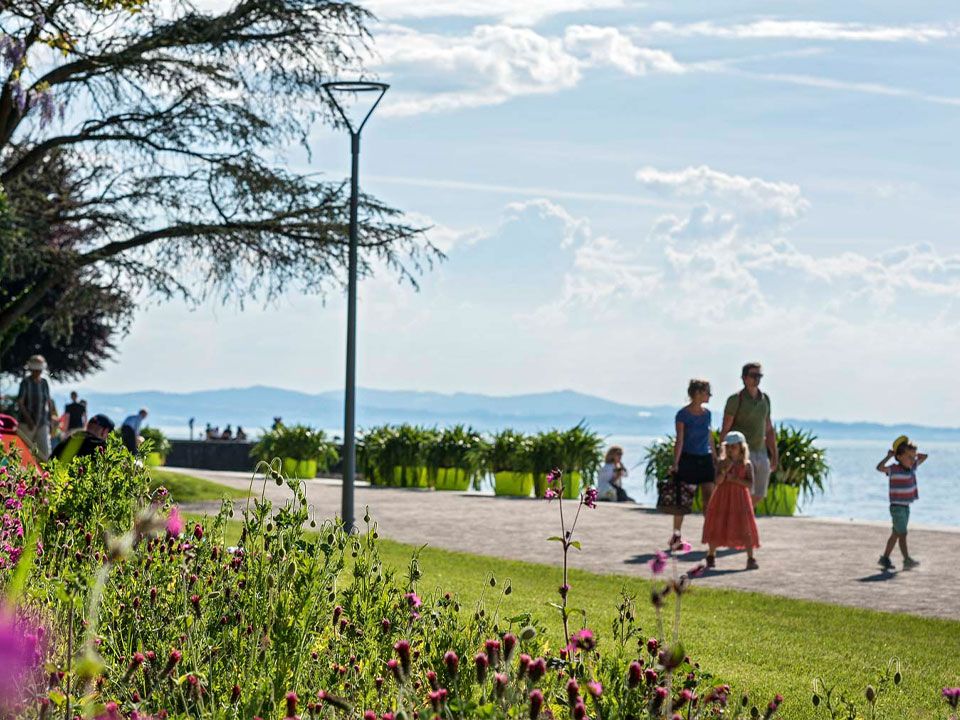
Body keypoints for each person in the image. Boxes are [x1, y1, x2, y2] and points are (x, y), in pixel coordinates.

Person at [719, 362, 778, 507]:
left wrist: (774, 454)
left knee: (759, 493)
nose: (756, 379)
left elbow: (769, 429)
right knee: (743, 491)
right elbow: (725, 429)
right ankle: (741, 520)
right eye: (753, 375)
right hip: (742, 453)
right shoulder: (735, 399)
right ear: (744, 378)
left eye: (759, 376)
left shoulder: (765, 400)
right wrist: (723, 455)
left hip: (761, 452)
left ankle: (744, 518)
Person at [702, 431, 760, 570]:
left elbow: (750, 484)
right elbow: (718, 481)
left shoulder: (747, 465)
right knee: (717, 524)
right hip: (722, 497)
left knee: (745, 527)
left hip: (740, 499)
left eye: (733, 447)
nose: (730, 450)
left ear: (741, 448)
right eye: (728, 447)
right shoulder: (722, 463)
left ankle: (750, 558)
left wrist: (734, 479)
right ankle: (711, 555)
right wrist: (725, 469)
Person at [669, 379, 717, 543]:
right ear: (697, 393)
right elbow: (680, 440)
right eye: (707, 392)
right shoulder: (683, 415)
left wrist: (715, 457)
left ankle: (711, 533)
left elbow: (710, 436)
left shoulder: (708, 414)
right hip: (688, 459)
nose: (710, 395)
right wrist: (675, 463)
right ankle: (676, 534)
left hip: (705, 459)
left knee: (708, 499)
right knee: (683, 500)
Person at [876, 435, 927, 571]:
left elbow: (924, 457)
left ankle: (884, 558)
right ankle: (906, 560)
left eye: (913, 457)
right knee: (903, 534)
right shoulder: (893, 469)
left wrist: (914, 455)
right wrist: (888, 456)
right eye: (909, 457)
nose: (912, 460)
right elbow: (880, 468)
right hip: (897, 508)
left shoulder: (912, 467)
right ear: (899, 457)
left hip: (906, 507)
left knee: (896, 534)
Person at [16, 355, 55, 461]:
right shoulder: (25, 382)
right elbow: (20, 402)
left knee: (45, 453)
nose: (37, 372)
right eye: (35, 369)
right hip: (26, 423)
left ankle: (45, 476)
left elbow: (48, 402)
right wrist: (28, 419)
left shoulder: (44, 383)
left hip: (42, 422)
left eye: (39, 370)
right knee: (22, 452)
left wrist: (50, 421)